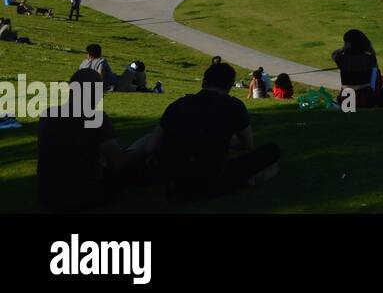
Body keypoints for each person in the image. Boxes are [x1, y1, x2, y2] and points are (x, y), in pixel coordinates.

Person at [153, 59, 280, 199]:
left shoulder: (178, 105)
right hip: (213, 180)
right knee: (271, 152)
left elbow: (155, 142)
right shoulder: (234, 106)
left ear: (204, 82)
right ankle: (245, 181)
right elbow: (248, 144)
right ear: (229, 86)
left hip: (176, 180)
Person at [37, 69, 153, 212]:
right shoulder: (95, 118)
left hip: (48, 195)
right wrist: (143, 146)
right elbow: (119, 161)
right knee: (140, 155)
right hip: (84, 196)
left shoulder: (48, 115)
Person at [331, 29, 383, 108]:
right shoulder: (370, 58)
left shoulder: (341, 58)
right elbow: (374, 82)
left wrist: (344, 48)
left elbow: (334, 54)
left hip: (346, 99)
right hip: (366, 99)